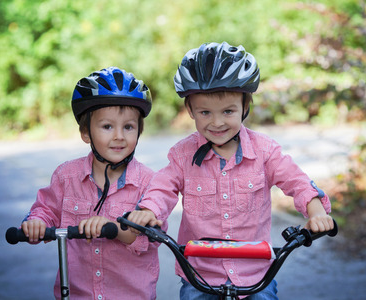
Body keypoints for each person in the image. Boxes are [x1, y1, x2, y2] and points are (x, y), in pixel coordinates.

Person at [128, 42, 334, 300]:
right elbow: (163, 187)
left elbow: (297, 181)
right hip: (200, 274)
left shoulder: (265, 151)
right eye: (205, 112)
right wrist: (148, 212)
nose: (217, 122)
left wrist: (316, 212)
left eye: (228, 111)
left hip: (255, 274)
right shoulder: (182, 155)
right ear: (190, 110)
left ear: (245, 106)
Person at [21, 66, 160, 300]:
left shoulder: (149, 183)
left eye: (128, 127)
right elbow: (46, 210)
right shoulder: (67, 176)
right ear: (86, 133)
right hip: (77, 294)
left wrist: (114, 228)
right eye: (107, 126)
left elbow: (148, 237)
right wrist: (36, 222)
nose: (119, 136)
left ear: (139, 131)